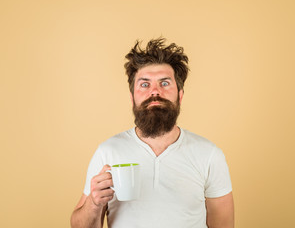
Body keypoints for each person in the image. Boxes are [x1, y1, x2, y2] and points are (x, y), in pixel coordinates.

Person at [70, 38, 234, 228]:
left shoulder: (209, 155)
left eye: (164, 83)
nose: (154, 92)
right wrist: (94, 203)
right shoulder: (107, 152)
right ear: (132, 98)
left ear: (180, 96)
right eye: (145, 84)